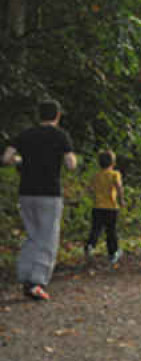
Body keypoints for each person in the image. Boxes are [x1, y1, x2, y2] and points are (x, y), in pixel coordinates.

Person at [2, 100, 77, 301]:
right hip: (50, 192)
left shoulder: (25, 135)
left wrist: (21, 161)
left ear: (39, 115)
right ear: (58, 115)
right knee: (48, 237)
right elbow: (71, 164)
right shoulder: (61, 136)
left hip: (26, 192)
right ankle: (37, 281)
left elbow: (7, 158)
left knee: (32, 234)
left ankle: (25, 274)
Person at [85, 150, 125, 265]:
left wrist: (94, 196)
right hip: (111, 207)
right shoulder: (114, 174)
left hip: (97, 207)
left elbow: (90, 189)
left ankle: (90, 245)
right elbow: (118, 187)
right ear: (113, 162)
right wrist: (121, 200)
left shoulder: (96, 176)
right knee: (111, 231)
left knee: (96, 229)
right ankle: (113, 253)